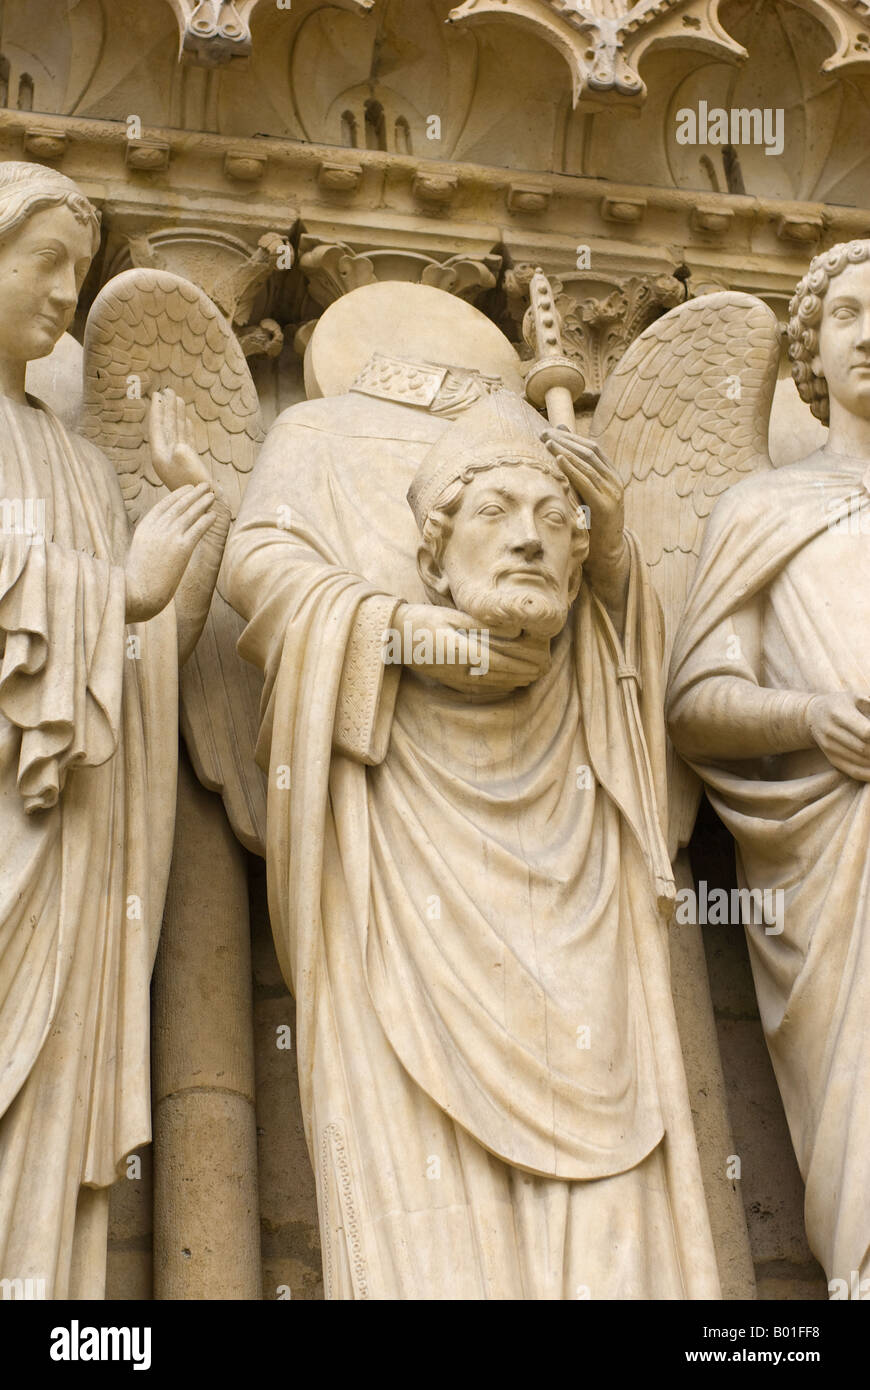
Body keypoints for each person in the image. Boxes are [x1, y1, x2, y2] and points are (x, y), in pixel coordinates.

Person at [226, 383, 718, 1299]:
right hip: (399, 868)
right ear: (434, 558)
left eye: (550, 519)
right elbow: (256, 561)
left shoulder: (593, 656)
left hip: (580, 907)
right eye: (495, 511)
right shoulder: (310, 436)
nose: (531, 537)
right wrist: (404, 632)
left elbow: (659, 692)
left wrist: (608, 544)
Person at [0, 162, 227, 1298]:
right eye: (41, 261)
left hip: (65, 847)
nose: (60, 293)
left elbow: (135, 682)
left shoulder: (87, 471)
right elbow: (100, 603)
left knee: (39, 1120)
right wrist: (111, 593)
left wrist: (189, 539)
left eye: (78, 272)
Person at [667, 239, 870, 1290]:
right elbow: (695, 702)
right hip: (836, 850)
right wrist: (814, 715)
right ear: (812, 351)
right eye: (848, 314)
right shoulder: (762, 509)